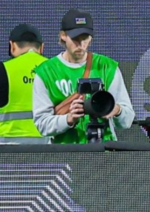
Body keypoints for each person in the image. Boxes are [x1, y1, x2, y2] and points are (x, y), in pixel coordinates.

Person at [32, 8, 135, 144]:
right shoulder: (46, 72)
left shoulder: (107, 67)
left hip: (105, 152)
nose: (81, 45)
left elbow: (127, 120)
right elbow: (42, 125)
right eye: (75, 39)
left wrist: (116, 110)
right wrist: (68, 119)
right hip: (65, 153)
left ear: (91, 38)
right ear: (63, 36)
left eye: (85, 38)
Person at [0, 23, 50, 144]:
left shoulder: (0, 70)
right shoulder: (55, 68)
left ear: (12, 46)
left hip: (8, 155)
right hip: (50, 154)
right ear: (42, 47)